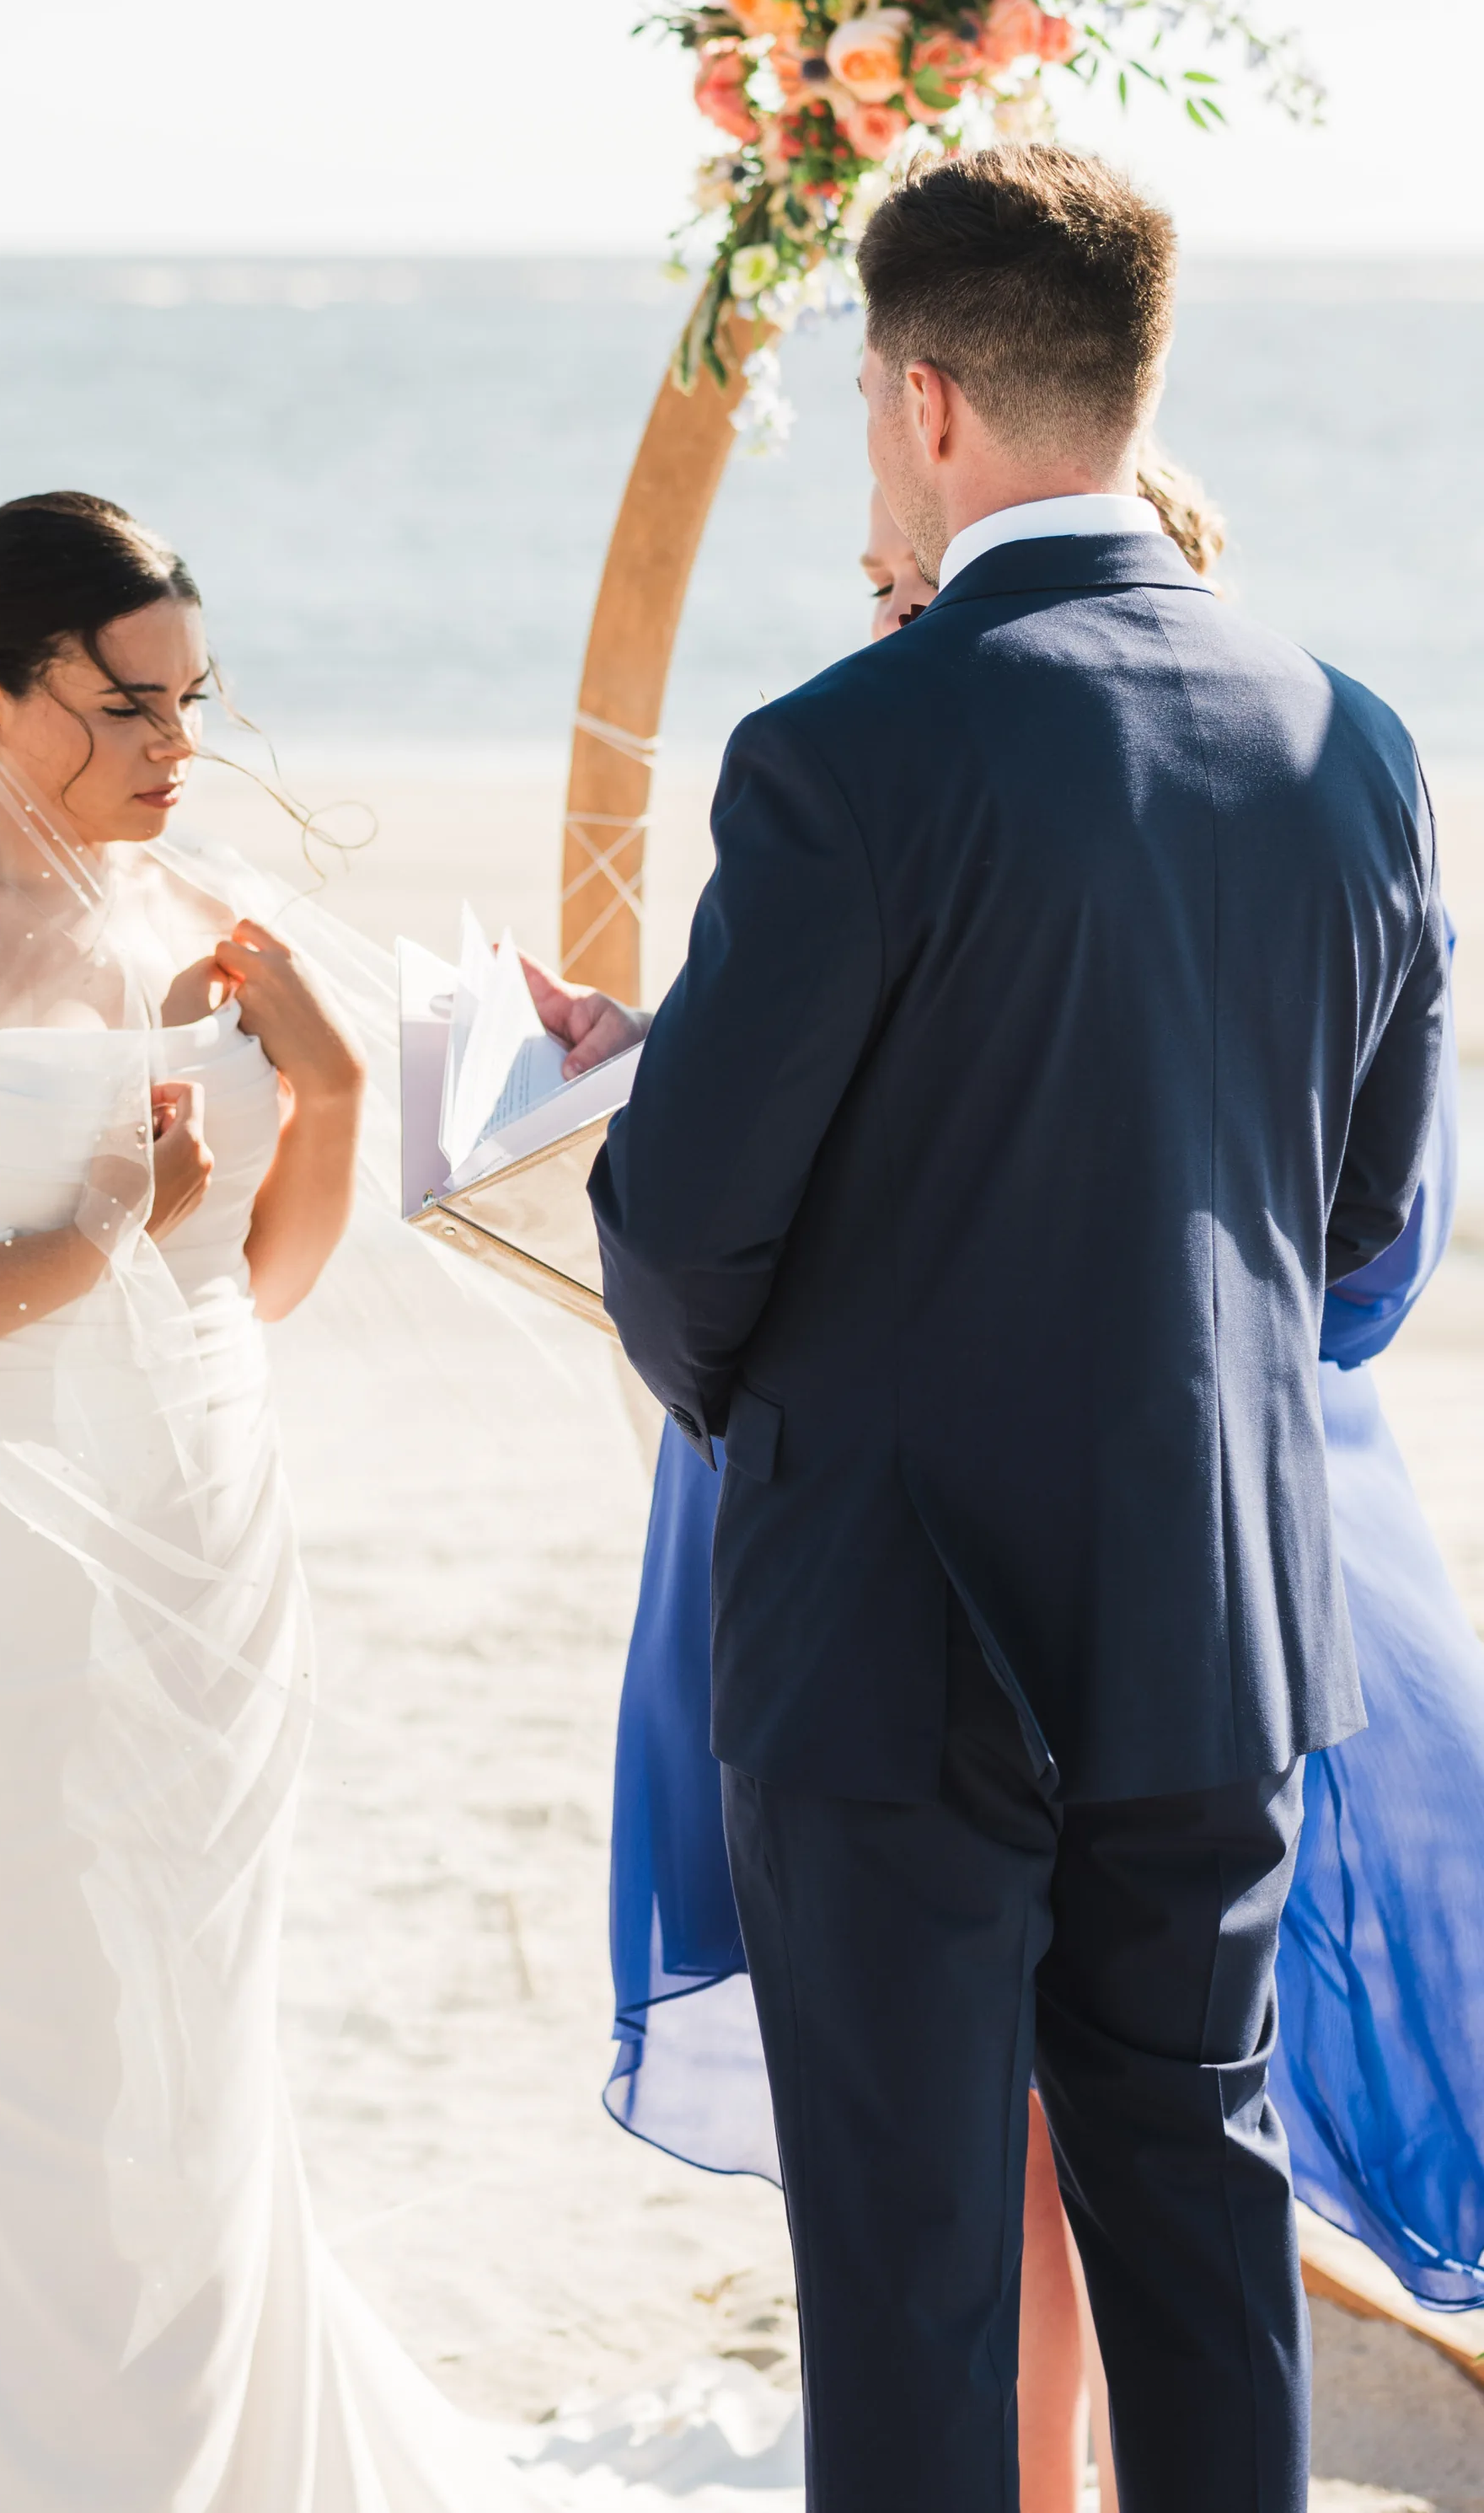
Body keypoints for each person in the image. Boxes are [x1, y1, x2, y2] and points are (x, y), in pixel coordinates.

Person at [557, 142, 1449, 2511]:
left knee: (919, 2278)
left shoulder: (845, 753)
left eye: (869, 414)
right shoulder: (1356, 743)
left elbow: (680, 1237)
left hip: (896, 1630)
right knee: (1195, 2217)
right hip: (1222, 1613)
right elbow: (1361, 1240)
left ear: (924, 403)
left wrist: (782, 1359)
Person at [0, 496, 538, 2511]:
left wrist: (333, 1097)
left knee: (191, 2058)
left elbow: (239, 1291)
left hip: (205, 1554)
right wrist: (82, 1248)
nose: (177, 749)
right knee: (12, 2061)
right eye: (126, 707)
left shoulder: (199, 922)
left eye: (193, 700)